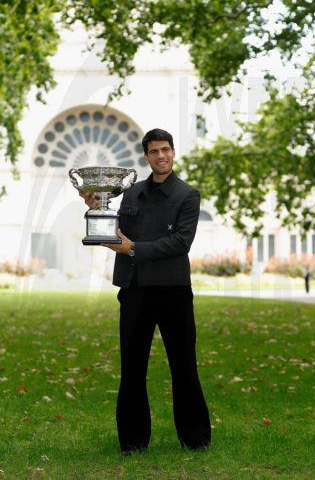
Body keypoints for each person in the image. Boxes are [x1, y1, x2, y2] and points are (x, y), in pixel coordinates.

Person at [80, 128, 211, 455]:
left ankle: (195, 439)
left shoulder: (187, 195)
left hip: (173, 292)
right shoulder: (132, 193)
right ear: (146, 156)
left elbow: (180, 243)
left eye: (165, 149)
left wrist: (133, 248)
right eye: (154, 151)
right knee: (132, 367)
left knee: (183, 366)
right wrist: (96, 204)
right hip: (135, 291)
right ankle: (132, 442)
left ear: (173, 152)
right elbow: (115, 233)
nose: (161, 156)